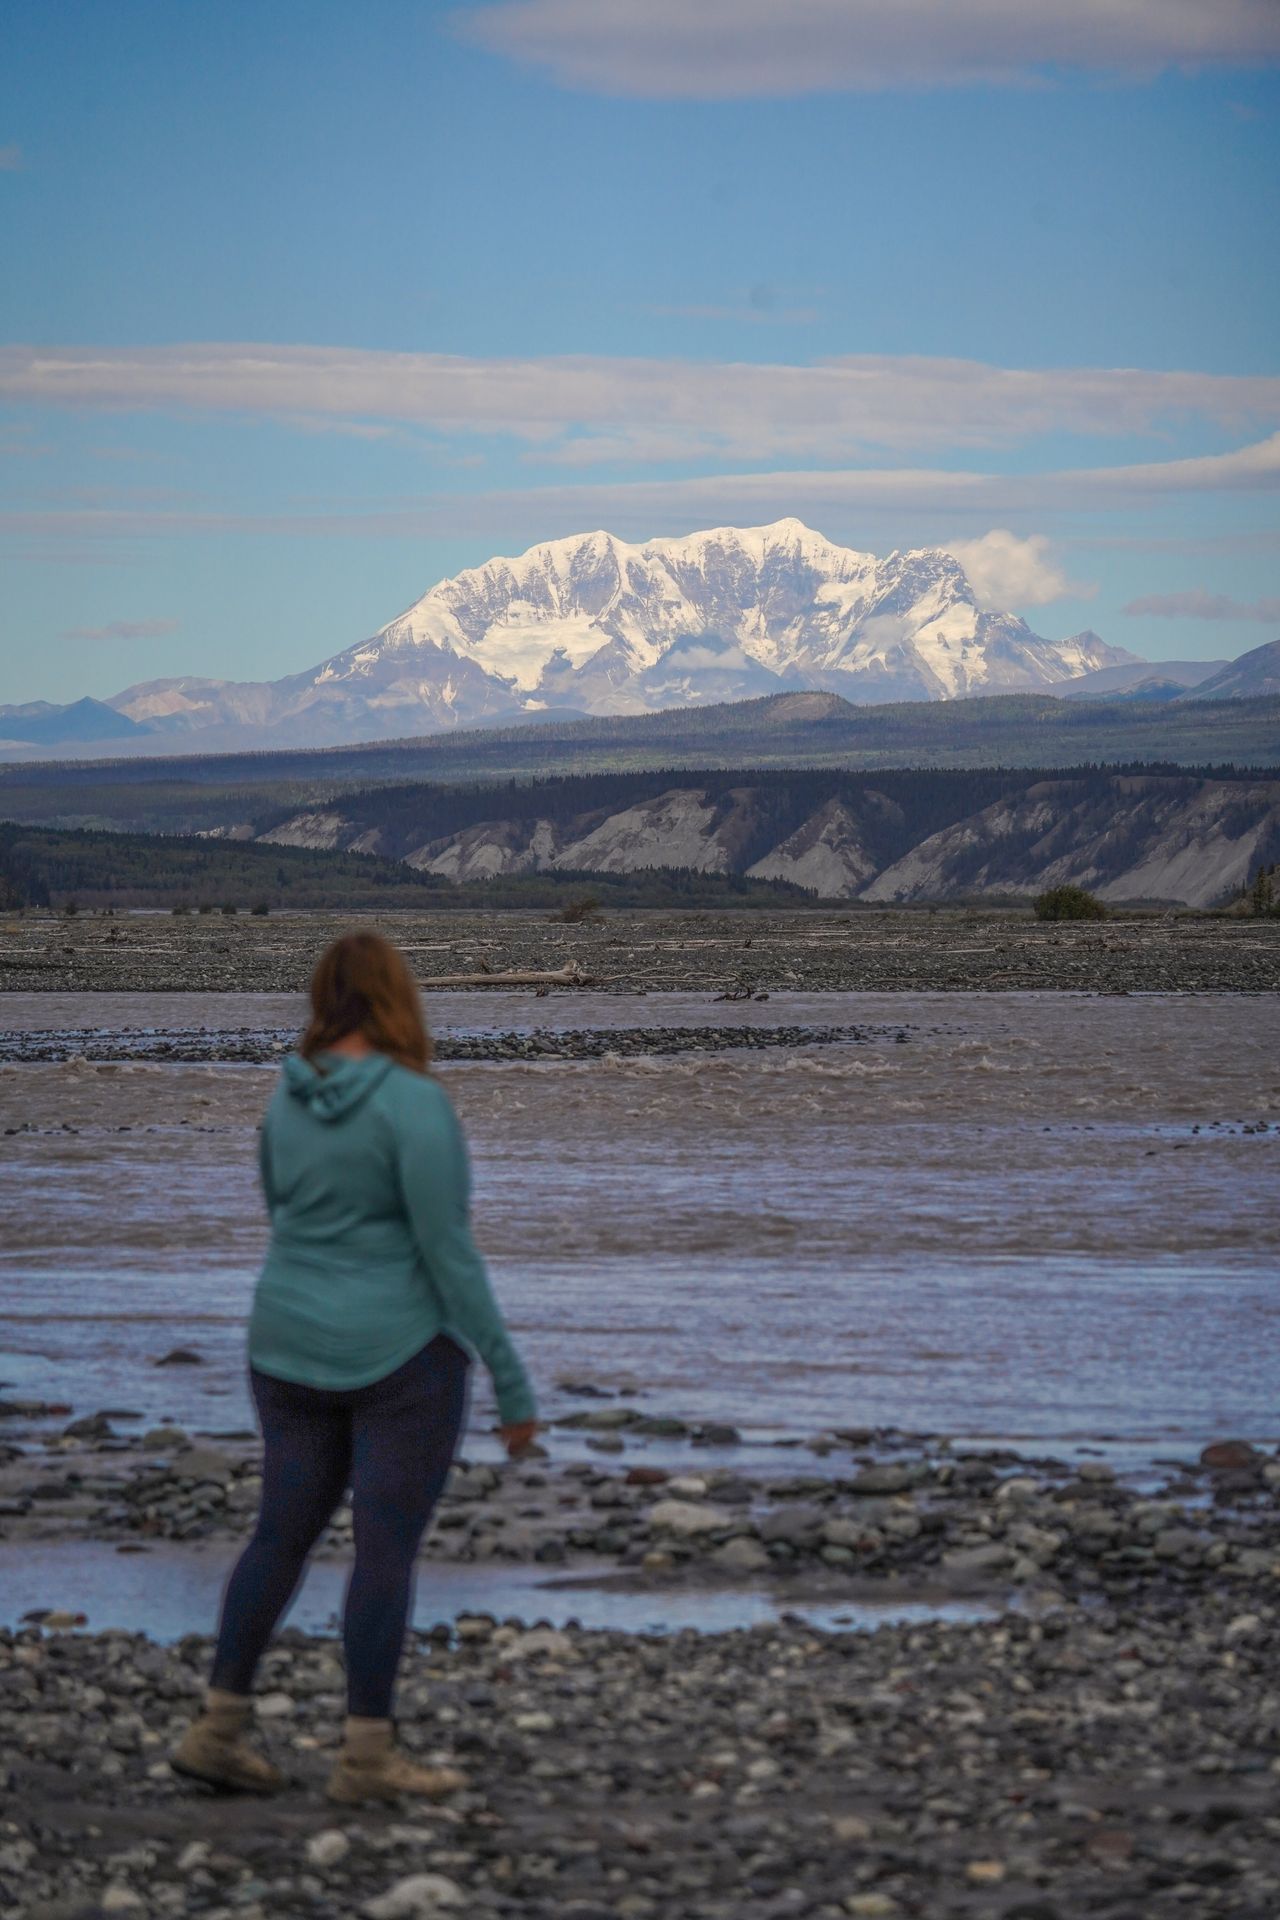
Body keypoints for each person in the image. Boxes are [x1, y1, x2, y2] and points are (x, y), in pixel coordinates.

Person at [172, 931, 536, 1803]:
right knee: (383, 1549)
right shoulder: (416, 1105)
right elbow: (449, 1253)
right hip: (400, 1358)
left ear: (322, 997)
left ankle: (218, 1728)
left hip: (284, 1347)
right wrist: (511, 1380)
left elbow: (280, 1212)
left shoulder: (284, 1102)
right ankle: (366, 1759)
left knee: (279, 1534)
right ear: (398, 996)